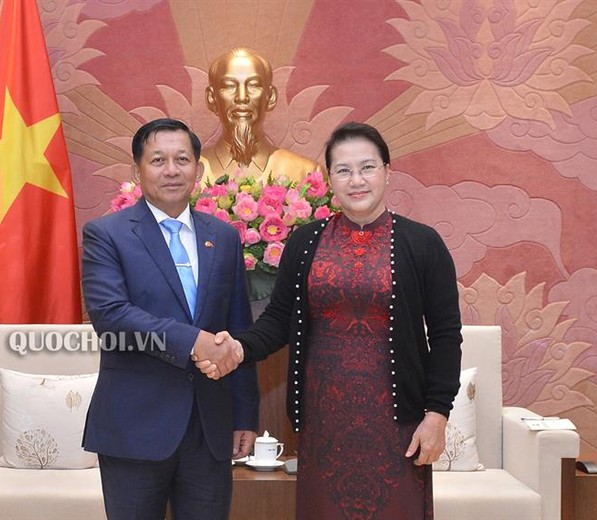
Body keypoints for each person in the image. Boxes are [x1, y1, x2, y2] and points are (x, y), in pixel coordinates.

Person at [198, 122, 462, 519]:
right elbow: (278, 320)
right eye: (343, 170)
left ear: (388, 171)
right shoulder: (306, 242)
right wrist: (238, 347)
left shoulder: (422, 244)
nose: (356, 180)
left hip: (399, 424)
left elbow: (445, 336)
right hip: (325, 423)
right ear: (329, 179)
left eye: (367, 167)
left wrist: (437, 414)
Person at [81, 118, 259, 520]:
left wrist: (245, 415)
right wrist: (192, 341)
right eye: (158, 159)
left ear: (198, 167)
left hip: (209, 427)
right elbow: (110, 316)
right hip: (134, 425)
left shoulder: (224, 236)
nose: (172, 169)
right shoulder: (107, 235)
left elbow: (239, 328)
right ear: (137, 170)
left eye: (182, 159)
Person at [201, 47, 322, 185]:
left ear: (271, 97)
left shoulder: (306, 174)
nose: (242, 97)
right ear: (211, 98)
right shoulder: (189, 176)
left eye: (253, 85)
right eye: (229, 86)